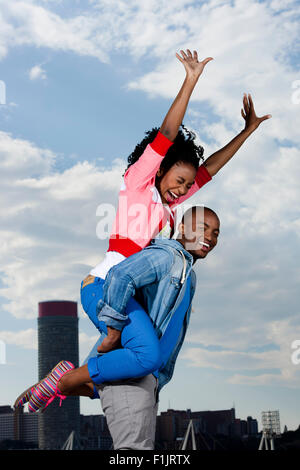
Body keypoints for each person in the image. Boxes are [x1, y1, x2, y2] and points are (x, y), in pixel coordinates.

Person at [14, 49, 271, 411]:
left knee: (116, 380)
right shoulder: (138, 185)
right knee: (146, 356)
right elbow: (167, 133)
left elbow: (211, 167)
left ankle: (63, 381)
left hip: (128, 293)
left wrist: (246, 132)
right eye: (178, 181)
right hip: (104, 287)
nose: (182, 190)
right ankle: (68, 378)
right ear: (160, 168)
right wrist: (190, 81)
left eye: (186, 186)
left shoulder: (168, 208)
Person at [31, 205, 220, 451]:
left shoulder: (189, 275)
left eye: (216, 233)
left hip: (146, 375)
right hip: (132, 377)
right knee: (133, 450)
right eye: (203, 228)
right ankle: (67, 381)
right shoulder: (167, 256)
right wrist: (113, 330)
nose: (210, 237)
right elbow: (121, 276)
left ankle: (73, 381)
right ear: (182, 227)